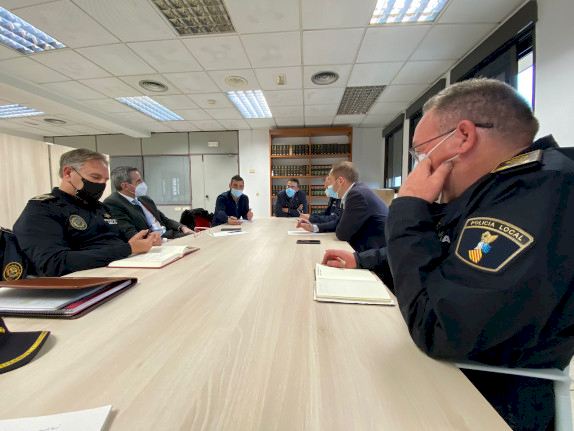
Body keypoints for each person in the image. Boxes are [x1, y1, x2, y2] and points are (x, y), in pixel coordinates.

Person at [325, 78, 574, 431]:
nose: (419, 166)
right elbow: (439, 249)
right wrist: (363, 260)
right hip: (454, 377)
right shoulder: (496, 190)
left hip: (484, 401)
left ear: (463, 137)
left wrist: (409, 205)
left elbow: (438, 328)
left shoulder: (537, 193)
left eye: (420, 152)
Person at [13, 149, 156, 277]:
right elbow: (54, 264)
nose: (101, 184)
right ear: (68, 173)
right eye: (95, 177)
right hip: (83, 283)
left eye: (105, 180)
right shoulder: (43, 209)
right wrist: (127, 249)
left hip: (121, 272)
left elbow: (116, 243)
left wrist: (139, 242)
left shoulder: (100, 208)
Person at [298, 162, 388, 252]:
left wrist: (336, 225)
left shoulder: (356, 195)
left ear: (340, 181)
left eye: (331, 180)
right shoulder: (356, 190)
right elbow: (338, 222)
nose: (329, 186)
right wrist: (313, 227)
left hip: (372, 252)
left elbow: (342, 233)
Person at [104, 166, 193, 240]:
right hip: (155, 242)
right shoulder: (113, 203)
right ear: (125, 186)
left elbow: (164, 219)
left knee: (196, 237)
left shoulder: (145, 199)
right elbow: (131, 234)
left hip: (170, 235)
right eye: (138, 181)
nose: (143, 184)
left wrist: (183, 227)